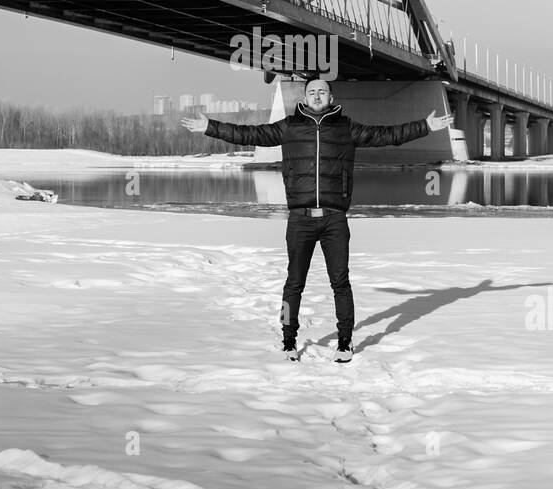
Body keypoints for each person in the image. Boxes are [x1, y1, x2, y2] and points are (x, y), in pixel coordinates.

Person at [181, 78, 454, 362]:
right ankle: (288, 339)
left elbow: (387, 135)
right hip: (300, 219)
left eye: (322, 91)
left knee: (341, 283)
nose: (317, 95)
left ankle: (345, 341)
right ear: (305, 97)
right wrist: (210, 127)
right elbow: (251, 134)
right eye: (312, 91)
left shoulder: (346, 128)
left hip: (335, 218)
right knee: (293, 283)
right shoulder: (289, 127)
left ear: (331, 96)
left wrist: (425, 126)